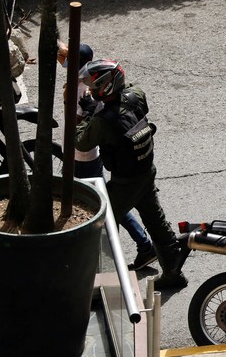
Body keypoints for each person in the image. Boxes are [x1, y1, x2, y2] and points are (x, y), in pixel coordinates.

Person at [75, 59, 188, 289]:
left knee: (104, 226)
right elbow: (127, 95)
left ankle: (106, 283)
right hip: (145, 170)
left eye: (95, 85)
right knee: (155, 221)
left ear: (105, 87)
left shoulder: (102, 121)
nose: (91, 89)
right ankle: (174, 273)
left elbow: (81, 142)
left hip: (125, 182)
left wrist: (87, 113)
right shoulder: (137, 95)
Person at [58, 42, 156, 271]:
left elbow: (81, 129)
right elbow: (62, 55)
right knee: (108, 205)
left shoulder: (82, 89)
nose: (64, 63)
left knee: (104, 209)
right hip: (84, 155)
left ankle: (135, 248)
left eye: (68, 61)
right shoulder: (89, 81)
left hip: (83, 157)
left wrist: (68, 102)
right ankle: (144, 246)